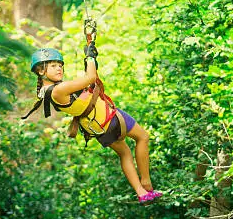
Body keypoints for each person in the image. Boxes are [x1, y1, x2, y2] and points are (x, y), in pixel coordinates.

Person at [24, 46, 162, 203]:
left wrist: (90, 62)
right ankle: (146, 182)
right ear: (41, 71)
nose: (59, 68)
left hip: (96, 126)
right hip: (108, 117)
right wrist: (89, 57)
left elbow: (83, 87)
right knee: (143, 137)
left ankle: (141, 192)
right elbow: (90, 78)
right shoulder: (58, 89)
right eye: (53, 65)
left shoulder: (47, 90)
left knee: (124, 153)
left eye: (60, 65)